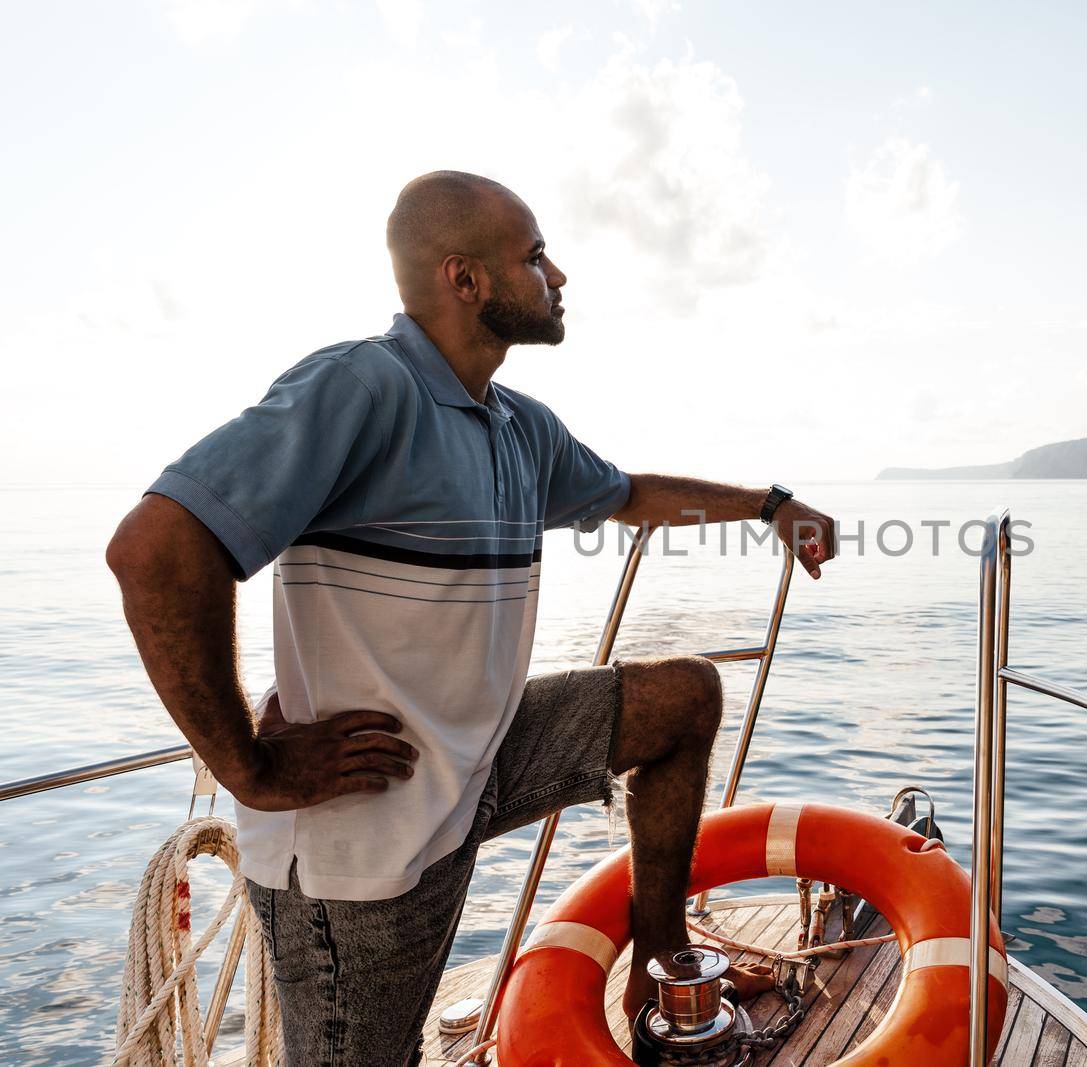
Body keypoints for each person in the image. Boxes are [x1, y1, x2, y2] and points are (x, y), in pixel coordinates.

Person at [105, 170, 837, 1066]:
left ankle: (657, 962)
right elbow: (156, 548)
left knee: (683, 699)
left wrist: (770, 504)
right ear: (465, 279)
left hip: (476, 760)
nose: (558, 274)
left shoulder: (517, 426)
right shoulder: (360, 389)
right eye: (534, 258)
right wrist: (246, 766)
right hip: (362, 842)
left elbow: (632, 494)